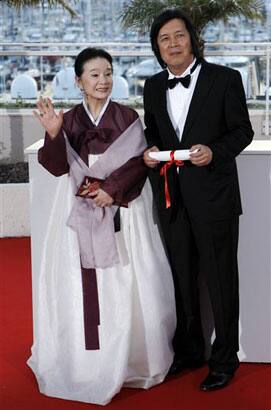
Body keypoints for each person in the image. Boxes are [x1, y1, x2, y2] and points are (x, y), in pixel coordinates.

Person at [27, 47, 176, 405]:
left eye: (107, 73)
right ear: (78, 81)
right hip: (79, 210)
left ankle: (131, 356)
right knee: (80, 282)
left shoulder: (128, 117)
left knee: (129, 275)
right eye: (94, 74)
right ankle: (84, 358)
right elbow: (58, 167)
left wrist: (111, 190)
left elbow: (141, 163)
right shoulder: (70, 119)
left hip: (123, 206)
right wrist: (52, 134)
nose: (103, 80)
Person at [143, 9, 254, 391]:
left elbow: (243, 130)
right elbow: (152, 133)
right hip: (172, 200)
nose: (173, 44)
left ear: (192, 39)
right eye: (164, 39)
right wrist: (150, 150)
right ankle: (189, 352)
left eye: (179, 36)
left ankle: (225, 359)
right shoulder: (152, 86)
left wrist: (216, 151)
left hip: (215, 198)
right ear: (157, 48)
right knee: (182, 280)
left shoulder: (226, 79)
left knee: (222, 281)